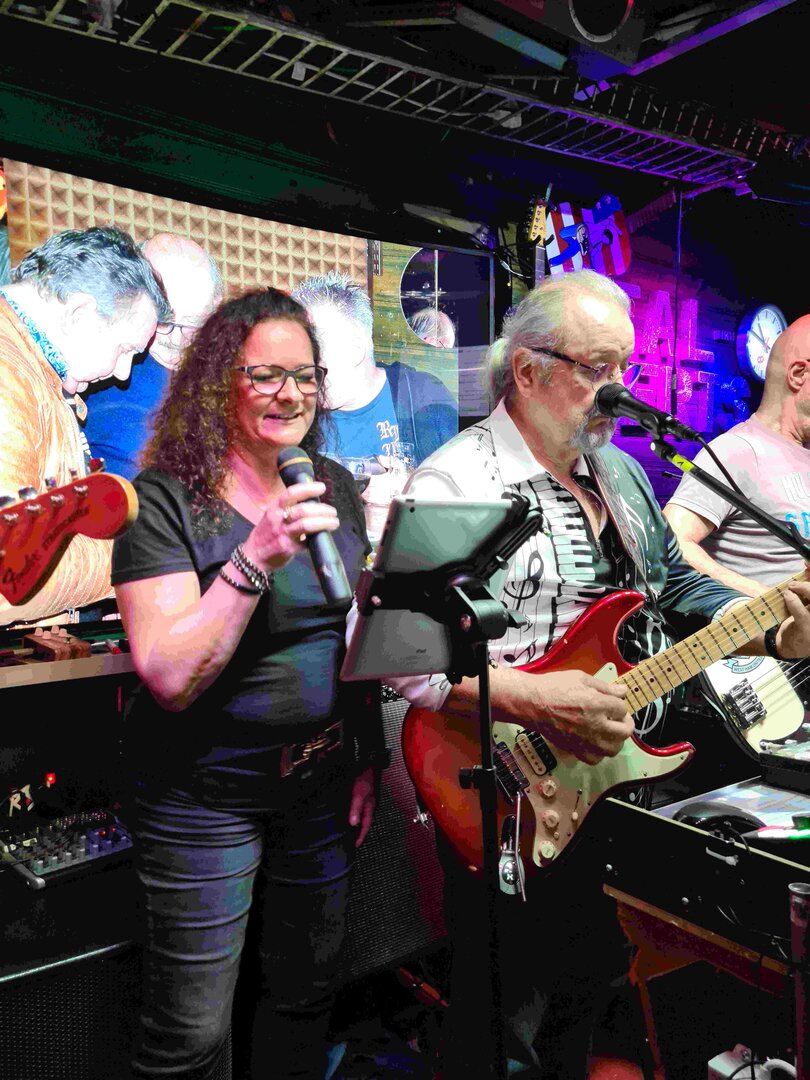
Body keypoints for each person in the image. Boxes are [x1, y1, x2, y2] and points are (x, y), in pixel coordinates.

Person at [378, 269, 810, 1079]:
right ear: (527, 370)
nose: (618, 390)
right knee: (501, 1019)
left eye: (625, 368)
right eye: (595, 368)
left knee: (588, 1000)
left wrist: (771, 630)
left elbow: (675, 595)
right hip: (507, 781)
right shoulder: (456, 481)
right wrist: (542, 699)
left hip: (612, 779)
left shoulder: (624, 475)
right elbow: (399, 651)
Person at [110, 288, 385, 1080]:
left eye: (305, 376)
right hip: (202, 798)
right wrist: (253, 558)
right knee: (192, 1035)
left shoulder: (331, 482)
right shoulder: (163, 499)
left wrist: (366, 755)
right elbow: (169, 676)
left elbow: (348, 634)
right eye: (265, 375)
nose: (289, 394)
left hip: (319, 789)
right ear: (216, 383)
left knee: (303, 998)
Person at [0, 225, 168, 625]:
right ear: (79, 314)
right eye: (125, 349)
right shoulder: (7, 374)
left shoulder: (33, 368)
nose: (123, 373)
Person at [663, 313, 810, 597]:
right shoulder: (736, 451)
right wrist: (767, 600)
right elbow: (671, 542)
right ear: (798, 375)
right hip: (768, 624)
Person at [83, 232, 224, 480]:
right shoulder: (100, 364)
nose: (176, 339)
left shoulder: (229, 379)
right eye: (164, 320)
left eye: (193, 323)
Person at [291, 271, 458, 465]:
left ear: (354, 350)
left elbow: (467, 476)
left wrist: (410, 481)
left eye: (313, 357)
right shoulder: (297, 417)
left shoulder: (426, 398)